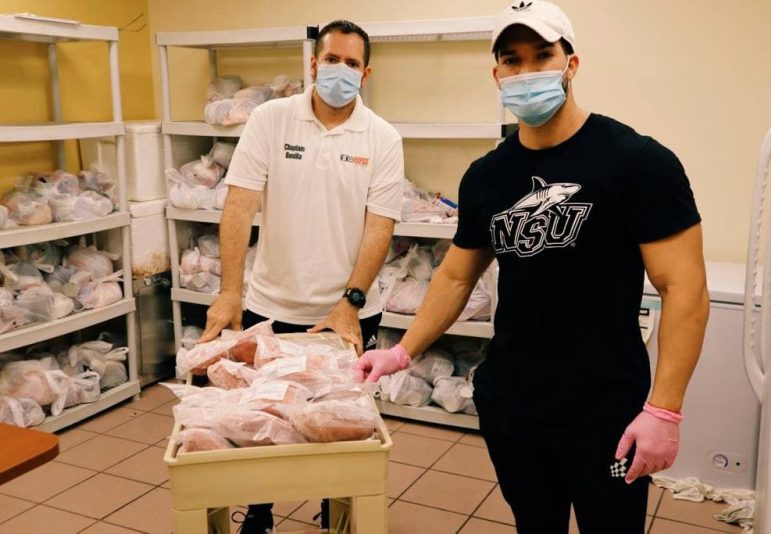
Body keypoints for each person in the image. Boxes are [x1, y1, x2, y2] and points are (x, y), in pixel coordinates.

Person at [355, 2, 710, 533]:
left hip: (605, 412)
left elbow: (685, 288)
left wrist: (664, 410)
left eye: (542, 56)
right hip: (513, 407)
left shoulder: (638, 162)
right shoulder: (487, 176)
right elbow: (456, 275)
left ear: (571, 63)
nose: (526, 72)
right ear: (497, 74)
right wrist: (402, 351)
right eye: (512, 60)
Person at [199, 20, 404, 534]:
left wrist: (351, 301)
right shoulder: (271, 119)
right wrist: (229, 292)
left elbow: (379, 226)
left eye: (352, 63)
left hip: (349, 311)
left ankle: (336, 507)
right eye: (332, 59)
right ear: (314, 64)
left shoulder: (382, 137)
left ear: (366, 73)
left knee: (341, 419)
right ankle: (260, 514)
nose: (340, 70)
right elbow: (239, 205)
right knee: (262, 417)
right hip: (272, 306)